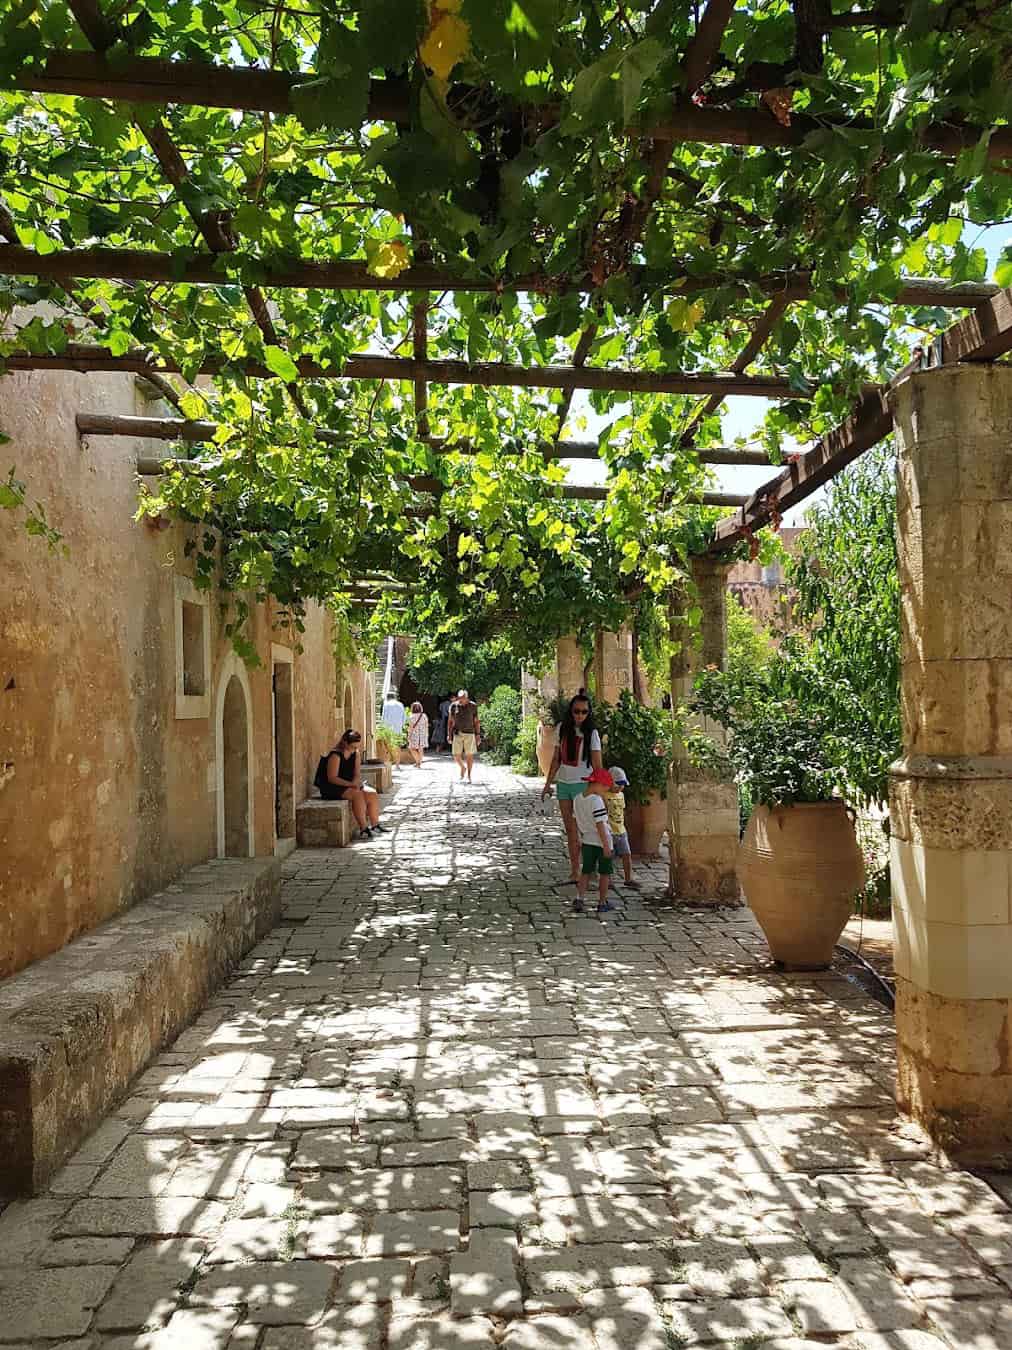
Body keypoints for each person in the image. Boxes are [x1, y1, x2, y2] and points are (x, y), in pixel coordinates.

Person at [540, 690, 603, 884]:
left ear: (589, 713)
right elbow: (556, 759)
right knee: (570, 830)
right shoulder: (562, 729)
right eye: (577, 711)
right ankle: (575, 871)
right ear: (571, 712)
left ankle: (591, 870)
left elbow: (597, 765)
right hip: (564, 785)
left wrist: (598, 790)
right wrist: (548, 784)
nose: (580, 715)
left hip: (582, 786)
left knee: (587, 830)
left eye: (584, 712)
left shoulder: (592, 734)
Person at [320, 729, 384, 840]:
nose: (355, 749)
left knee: (371, 793)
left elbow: (357, 773)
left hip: (349, 785)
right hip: (333, 787)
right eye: (353, 747)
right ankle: (364, 828)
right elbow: (332, 778)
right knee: (357, 794)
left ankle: (375, 825)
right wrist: (351, 784)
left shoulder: (356, 754)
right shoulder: (335, 755)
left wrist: (355, 782)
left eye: (356, 747)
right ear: (345, 743)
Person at [572, 767, 616, 914]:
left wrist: (579, 837)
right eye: (605, 788)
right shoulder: (596, 801)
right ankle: (602, 902)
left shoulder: (578, 798)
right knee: (604, 873)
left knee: (586, 871)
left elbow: (575, 820)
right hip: (600, 841)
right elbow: (600, 825)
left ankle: (579, 898)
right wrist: (606, 845)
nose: (605, 791)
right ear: (598, 784)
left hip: (586, 841)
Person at [605, 765, 639, 890]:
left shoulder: (621, 795)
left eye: (622, 784)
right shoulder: (604, 795)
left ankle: (628, 878)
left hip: (621, 830)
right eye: (617, 784)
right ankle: (608, 880)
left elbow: (622, 811)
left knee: (627, 854)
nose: (620, 787)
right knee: (609, 857)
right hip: (609, 832)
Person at [448, 687, 481, 783]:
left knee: (469, 755)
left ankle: (469, 776)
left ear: (467, 697)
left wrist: (478, 734)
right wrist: (449, 734)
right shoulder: (454, 706)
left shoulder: (473, 706)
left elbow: (476, 721)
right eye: (459, 698)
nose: (460, 700)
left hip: (470, 733)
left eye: (462, 698)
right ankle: (463, 767)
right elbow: (450, 721)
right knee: (456, 755)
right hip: (457, 733)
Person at [406, 701, 429, 768]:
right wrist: (427, 734)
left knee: (412, 748)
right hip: (422, 734)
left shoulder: (411, 716)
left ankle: (418, 762)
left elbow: (410, 727)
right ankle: (419, 763)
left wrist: (409, 736)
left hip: (414, 735)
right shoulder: (424, 716)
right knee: (420, 749)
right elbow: (426, 725)